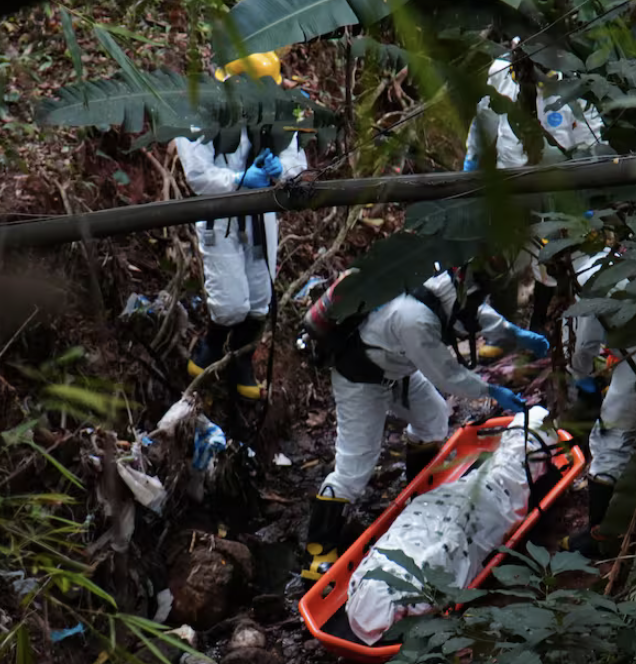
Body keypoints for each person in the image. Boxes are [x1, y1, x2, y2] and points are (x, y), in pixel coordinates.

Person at [302, 263, 551, 580]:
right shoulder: (413, 319)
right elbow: (446, 375)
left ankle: (418, 492)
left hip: (396, 371)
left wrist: (513, 334)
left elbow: (475, 315)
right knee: (353, 470)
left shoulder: (448, 290)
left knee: (433, 418)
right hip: (361, 378)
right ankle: (318, 552)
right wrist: (491, 390)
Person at [176, 51, 308, 400]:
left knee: (260, 299)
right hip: (221, 214)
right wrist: (237, 179)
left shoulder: (277, 111)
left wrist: (283, 172)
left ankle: (243, 360)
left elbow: (294, 157)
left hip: (263, 212)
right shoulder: (200, 111)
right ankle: (212, 344)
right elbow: (198, 174)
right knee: (231, 302)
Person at [461, 38, 609, 346]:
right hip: (511, 182)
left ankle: (548, 333)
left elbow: (588, 135)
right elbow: (485, 118)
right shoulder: (503, 71)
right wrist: (473, 161)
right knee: (501, 260)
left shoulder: (571, 78)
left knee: (553, 262)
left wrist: (590, 192)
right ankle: (499, 333)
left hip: (559, 187)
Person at [559, 254, 636, 556]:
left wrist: (581, 376)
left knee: (610, 441)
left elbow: (582, 346)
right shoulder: (622, 255)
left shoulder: (585, 277)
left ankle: (601, 536)